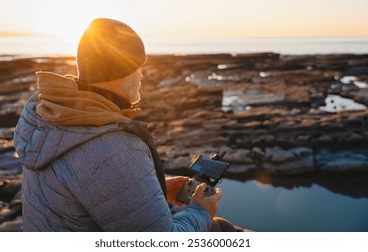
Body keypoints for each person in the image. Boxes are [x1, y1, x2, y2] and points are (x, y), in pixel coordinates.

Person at [14, 18, 241, 232]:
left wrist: (155, 189)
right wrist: (202, 211)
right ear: (123, 70)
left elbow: (85, 186)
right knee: (221, 228)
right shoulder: (115, 149)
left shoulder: (49, 118)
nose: (142, 76)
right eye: (138, 67)